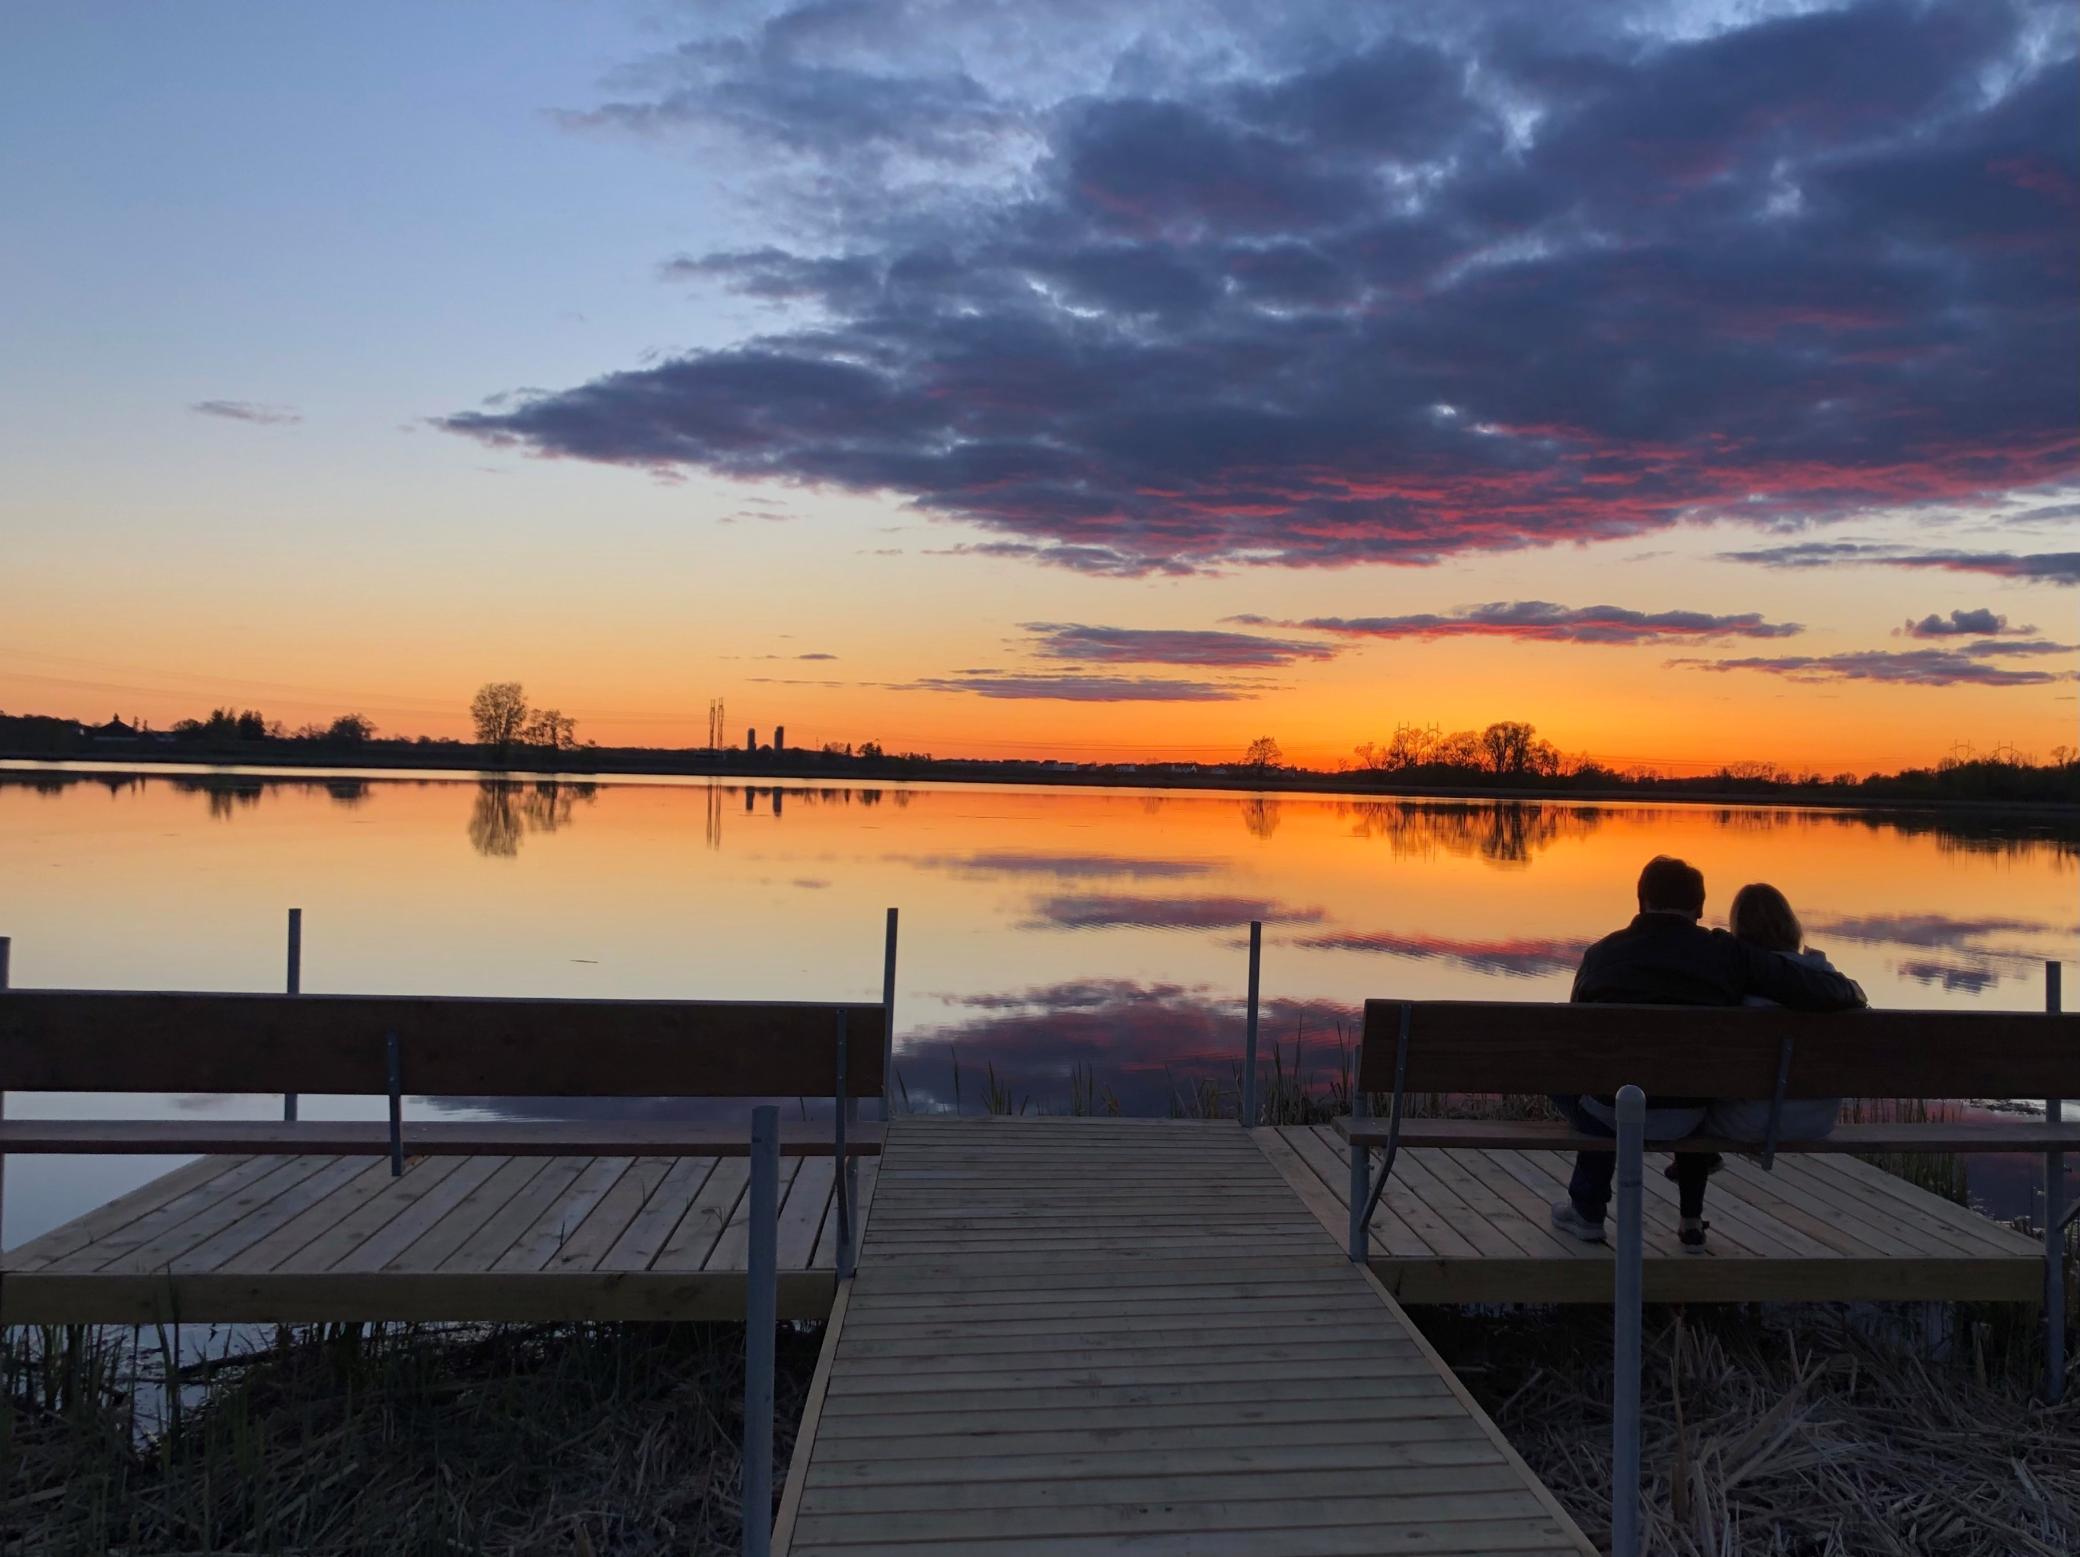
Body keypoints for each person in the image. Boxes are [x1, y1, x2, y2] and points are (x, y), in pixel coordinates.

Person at [1551, 855, 1866, 1254]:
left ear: (1641, 901)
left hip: (1611, 1112)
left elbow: (1573, 1040)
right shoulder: (1728, 954)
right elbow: (1810, 987)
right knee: (1684, 1077)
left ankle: (1587, 1212)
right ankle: (1689, 1218)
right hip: (1688, 1115)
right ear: (1699, 908)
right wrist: (1851, 991)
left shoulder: (1602, 955)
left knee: (1580, 1087)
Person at [1701, 883, 1846, 1142]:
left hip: (1746, 1122)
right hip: (1815, 1122)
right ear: (1790, 923)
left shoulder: (1739, 990)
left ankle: (1695, 1171)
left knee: (1693, 1109)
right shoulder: (1827, 979)